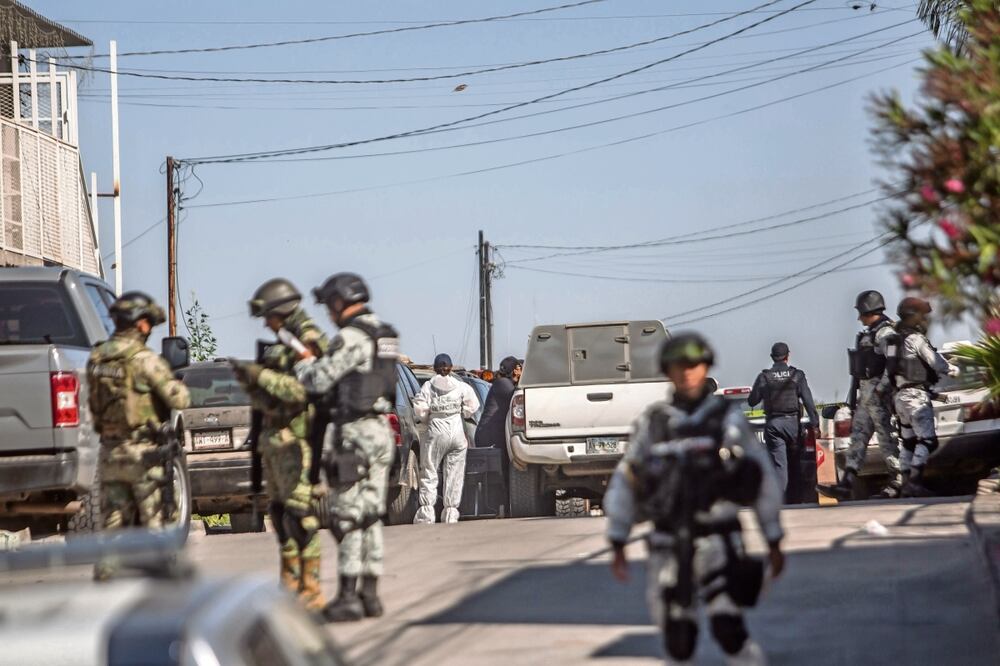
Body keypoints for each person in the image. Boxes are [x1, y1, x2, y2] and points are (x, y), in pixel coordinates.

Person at [605, 333, 784, 665]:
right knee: (678, 639)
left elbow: (760, 479)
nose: (686, 373)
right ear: (667, 371)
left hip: (720, 541)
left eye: (693, 365)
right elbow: (627, 479)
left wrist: (772, 537)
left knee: (728, 628)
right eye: (678, 366)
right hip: (668, 545)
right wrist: (618, 538)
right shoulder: (655, 423)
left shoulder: (726, 421)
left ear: (705, 368)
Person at [294, 272, 399, 622]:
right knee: (371, 515)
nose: (328, 313)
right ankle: (371, 596)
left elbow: (320, 380)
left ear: (340, 301)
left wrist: (305, 363)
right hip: (383, 429)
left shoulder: (350, 337)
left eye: (329, 305)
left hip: (356, 432)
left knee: (347, 516)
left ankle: (348, 597)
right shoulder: (386, 333)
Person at [230, 278, 328, 613]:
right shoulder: (282, 341)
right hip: (273, 439)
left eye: (268, 316)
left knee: (300, 517)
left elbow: (303, 389)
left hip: (296, 442)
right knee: (280, 514)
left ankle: (311, 588)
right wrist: (250, 382)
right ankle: (289, 584)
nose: (265, 324)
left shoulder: (308, 338)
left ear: (281, 311)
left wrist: (259, 376)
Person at [87, 292, 190, 578]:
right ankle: (165, 586)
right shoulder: (145, 360)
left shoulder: (96, 358)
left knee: (112, 527)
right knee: (157, 527)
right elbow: (180, 399)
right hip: (144, 456)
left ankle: (105, 580)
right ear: (141, 325)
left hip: (110, 453)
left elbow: (94, 405)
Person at [818, 291, 901, 500]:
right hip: (866, 397)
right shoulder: (869, 333)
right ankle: (847, 482)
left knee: (886, 439)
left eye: (860, 313)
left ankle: (900, 480)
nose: (859, 318)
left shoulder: (886, 334)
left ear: (867, 310)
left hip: (879, 396)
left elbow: (892, 366)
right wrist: (854, 399)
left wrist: (882, 390)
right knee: (858, 438)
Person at [885, 297, 958, 497]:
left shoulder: (893, 342)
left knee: (908, 442)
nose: (925, 320)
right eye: (923, 316)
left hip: (900, 398)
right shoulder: (915, 339)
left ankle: (907, 483)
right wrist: (955, 370)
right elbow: (936, 362)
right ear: (915, 317)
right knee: (927, 441)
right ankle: (915, 482)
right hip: (916, 396)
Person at [412, 353, 481, 524]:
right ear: (450, 368)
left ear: (435, 369)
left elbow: (420, 410)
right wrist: (461, 412)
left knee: (429, 470)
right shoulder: (461, 386)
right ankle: (450, 513)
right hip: (457, 432)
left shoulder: (428, 386)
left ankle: (427, 513)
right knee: (455, 473)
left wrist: (430, 417)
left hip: (436, 431)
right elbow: (474, 406)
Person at [748, 342, 819, 494]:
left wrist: (763, 391)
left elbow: (752, 401)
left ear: (772, 357)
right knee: (797, 463)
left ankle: (782, 500)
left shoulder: (764, 377)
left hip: (774, 426)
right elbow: (808, 400)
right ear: (788, 356)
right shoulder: (797, 375)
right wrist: (815, 424)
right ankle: (798, 496)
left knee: (780, 465)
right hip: (793, 425)